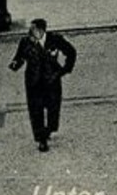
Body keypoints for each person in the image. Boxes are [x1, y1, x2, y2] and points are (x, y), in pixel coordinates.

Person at [8, 18, 77, 152]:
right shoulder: (25, 42)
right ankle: (41, 139)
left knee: (53, 109)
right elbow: (20, 57)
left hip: (51, 80)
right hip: (33, 82)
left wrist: (65, 69)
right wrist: (15, 64)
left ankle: (49, 129)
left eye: (33, 29)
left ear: (41, 30)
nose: (30, 32)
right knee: (36, 111)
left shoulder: (55, 39)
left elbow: (71, 52)